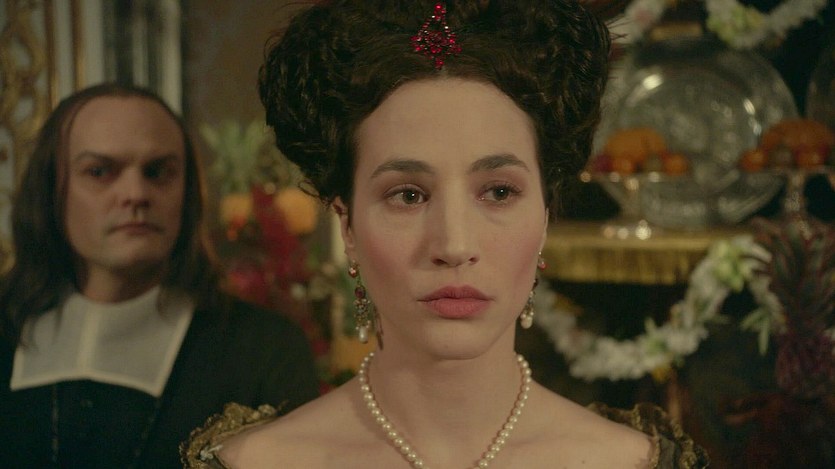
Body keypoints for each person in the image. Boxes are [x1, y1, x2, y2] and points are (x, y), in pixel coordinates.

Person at [183, 1, 709, 467]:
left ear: (545, 217)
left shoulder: (634, 462)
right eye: (408, 195)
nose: (454, 246)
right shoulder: (256, 461)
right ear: (347, 225)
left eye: (498, 192)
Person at [0, 83, 320, 468]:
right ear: (52, 189)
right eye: (100, 171)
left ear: (187, 193)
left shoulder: (263, 349)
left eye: (158, 172)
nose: (136, 193)